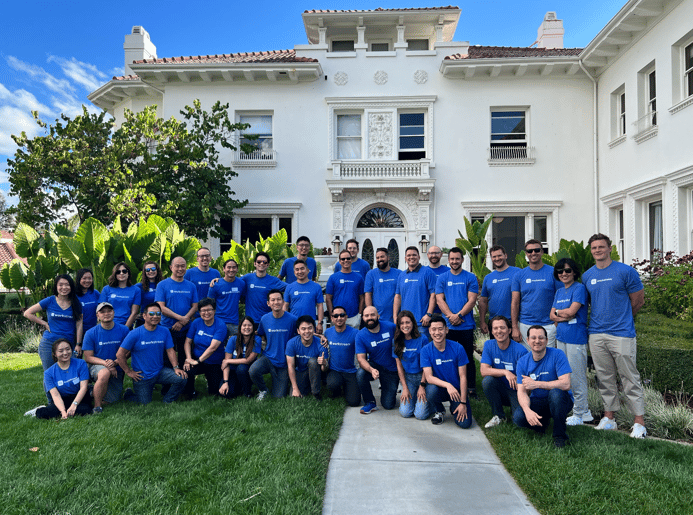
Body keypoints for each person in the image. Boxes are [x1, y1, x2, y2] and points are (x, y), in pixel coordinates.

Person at [583, 233, 647, 438]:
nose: (598, 250)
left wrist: (624, 318)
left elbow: (638, 300)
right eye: (594, 248)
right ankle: (609, 418)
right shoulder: (587, 276)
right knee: (604, 377)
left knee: (629, 377)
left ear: (610, 248)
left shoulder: (625, 271)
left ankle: (639, 422)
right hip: (596, 333)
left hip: (621, 333)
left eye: (601, 247)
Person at [513, 325, 573, 448]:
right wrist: (527, 410)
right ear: (527, 340)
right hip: (539, 400)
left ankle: (559, 436)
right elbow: (521, 392)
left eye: (541, 338)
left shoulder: (557, 354)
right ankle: (542, 423)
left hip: (561, 400)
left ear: (546, 340)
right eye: (533, 338)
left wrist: (537, 384)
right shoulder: (522, 362)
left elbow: (566, 384)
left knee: (555, 394)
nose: (537, 341)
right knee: (519, 417)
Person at [116, 302, 188, 404]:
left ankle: (168, 400)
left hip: (160, 372)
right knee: (144, 403)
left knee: (182, 378)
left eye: (158, 314)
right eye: (151, 314)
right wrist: (128, 372)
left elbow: (170, 350)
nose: (155, 316)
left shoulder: (165, 331)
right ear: (144, 316)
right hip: (142, 376)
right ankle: (129, 394)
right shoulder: (134, 333)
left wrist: (176, 368)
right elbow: (120, 354)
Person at [550, 257, 592, 426]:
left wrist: (560, 313)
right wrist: (562, 314)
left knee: (577, 376)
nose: (564, 274)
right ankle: (578, 409)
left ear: (574, 272)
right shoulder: (560, 291)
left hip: (576, 338)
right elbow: (552, 315)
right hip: (561, 338)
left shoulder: (579, 288)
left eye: (568, 270)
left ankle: (581, 413)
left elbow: (572, 312)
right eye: (560, 271)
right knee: (565, 375)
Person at [435, 247, 479, 398]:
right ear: (448, 260)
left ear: (462, 259)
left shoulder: (470, 277)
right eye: (452, 259)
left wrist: (458, 315)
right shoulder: (442, 278)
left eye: (457, 259)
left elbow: (472, 300)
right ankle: (452, 386)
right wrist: (450, 316)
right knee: (449, 357)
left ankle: (471, 388)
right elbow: (439, 299)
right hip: (448, 327)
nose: (454, 261)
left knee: (467, 357)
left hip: (466, 325)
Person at [421, 315, 472, 428]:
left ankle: (455, 405)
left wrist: (463, 402)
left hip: (456, 390)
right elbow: (429, 378)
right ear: (429, 331)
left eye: (440, 329)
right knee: (431, 391)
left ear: (446, 330)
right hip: (439, 389)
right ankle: (439, 410)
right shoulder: (425, 350)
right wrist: (448, 385)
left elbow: (463, 376)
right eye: (434, 329)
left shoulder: (458, 348)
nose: (437, 333)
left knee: (465, 424)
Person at [24, 274, 83, 372]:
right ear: (56, 286)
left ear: (71, 286)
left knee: (71, 373)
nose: (64, 287)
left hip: (68, 344)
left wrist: (78, 344)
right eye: (61, 285)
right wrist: (44, 323)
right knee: (50, 372)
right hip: (49, 343)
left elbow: (79, 324)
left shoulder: (76, 303)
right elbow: (27, 313)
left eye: (67, 284)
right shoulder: (50, 300)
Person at [480, 315, 528, 428]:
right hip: (499, 388)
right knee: (487, 381)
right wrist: (506, 372)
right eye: (495, 328)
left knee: (519, 422)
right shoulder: (489, 345)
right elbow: (483, 370)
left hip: (517, 391)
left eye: (502, 327)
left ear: (509, 330)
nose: (499, 331)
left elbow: (526, 380)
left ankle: (515, 408)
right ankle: (499, 416)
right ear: (492, 331)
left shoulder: (521, 350)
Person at [24, 338, 91, 419]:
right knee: (47, 413)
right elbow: (55, 395)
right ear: (55, 354)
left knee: (85, 410)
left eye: (68, 349)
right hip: (62, 398)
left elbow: (83, 387)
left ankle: (69, 408)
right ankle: (38, 410)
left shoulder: (81, 363)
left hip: (79, 397)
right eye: (61, 351)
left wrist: (74, 405)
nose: (65, 353)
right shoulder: (49, 373)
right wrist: (62, 412)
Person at [511, 240, 560, 348]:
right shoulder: (519, 275)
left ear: (542, 252)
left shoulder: (553, 272)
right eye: (530, 251)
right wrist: (515, 327)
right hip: (525, 325)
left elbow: (561, 298)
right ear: (526, 253)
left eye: (537, 250)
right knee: (527, 357)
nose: (533, 253)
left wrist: (555, 325)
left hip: (548, 325)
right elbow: (515, 302)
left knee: (547, 357)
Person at [250, 289, 298, 399]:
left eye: (278, 299)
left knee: (278, 397)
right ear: (268, 303)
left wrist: (320, 336)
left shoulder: (292, 319)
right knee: (253, 370)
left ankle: (283, 382)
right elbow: (260, 334)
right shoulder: (264, 319)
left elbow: (303, 333)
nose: (276, 302)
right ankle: (263, 390)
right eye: (273, 300)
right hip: (268, 358)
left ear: (283, 301)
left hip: (284, 362)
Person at [82, 302, 130, 413]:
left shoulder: (124, 330)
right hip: (97, 365)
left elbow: (128, 352)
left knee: (112, 400)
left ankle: (91, 391)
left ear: (114, 312)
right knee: (104, 373)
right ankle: (97, 407)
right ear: (97, 315)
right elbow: (88, 357)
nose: (106, 314)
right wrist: (106, 364)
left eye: (109, 311)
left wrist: (115, 363)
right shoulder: (90, 333)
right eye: (102, 312)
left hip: (117, 367)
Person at [156, 256, 199, 371]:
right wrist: (181, 318)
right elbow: (160, 307)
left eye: (183, 266)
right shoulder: (162, 285)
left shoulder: (191, 286)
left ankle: (187, 382)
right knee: (167, 358)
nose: (180, 269)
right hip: (168, 328)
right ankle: (169, 381)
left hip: (186, 328)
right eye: (177, 266)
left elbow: (195, 306)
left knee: (185, 358)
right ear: (171, 267)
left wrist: (183, 321)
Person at [355, 306, 399, 413]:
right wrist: (371, 370)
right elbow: (361, 359)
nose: (370, 318)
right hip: (375, 366)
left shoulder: (390, 327)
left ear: (378, 316)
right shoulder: (360, 335)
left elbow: (404, 337)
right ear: (363, 318)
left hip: (391, 369)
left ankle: (386, 388)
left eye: (372, 315)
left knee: (388, 404)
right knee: (361, 373)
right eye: (366, 315)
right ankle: (370, 402)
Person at [183, 297, 228, 397]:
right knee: (187, 369)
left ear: (214, 311)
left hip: (214, 362)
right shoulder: (196, 322)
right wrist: (189, 358)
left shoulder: (220, 325)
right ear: (199, 312)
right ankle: (190, 392)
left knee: (214, 393)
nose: (206, 313)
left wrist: (198, 361)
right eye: (203, 310)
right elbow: (187, 342)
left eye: (209, 310)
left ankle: (211, 381)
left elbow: (213, 348)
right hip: (197, 358)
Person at [393, 310, 430, 420]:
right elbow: (399, 366)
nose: (405, 325)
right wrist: (404, 387)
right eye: (402, 323)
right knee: (405, 412)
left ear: (413, 323)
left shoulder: (422, 339)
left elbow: (427, 365)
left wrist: (422, 386)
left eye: (407, 322)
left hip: (423, 377)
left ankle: (431, 405)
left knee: (420, 415)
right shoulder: (396, 341)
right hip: (408, 379)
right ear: (399, 326)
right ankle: (416, 401)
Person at [394, 246, 437, 338]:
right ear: (405, 258)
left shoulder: (428, 273)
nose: (411, 257)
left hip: (422, 323)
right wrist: (395, 316)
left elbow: (433, 295)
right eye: (409, 255)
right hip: (405, 323)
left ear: (419, 257)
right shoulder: (401, 275)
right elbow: (398, 296)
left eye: (414, 255)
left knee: (423, 346)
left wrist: (429, 314)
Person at [323, 306, 360, 406]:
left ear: (346, 317)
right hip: (334, 370)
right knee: (332, 385)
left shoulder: (355, 333)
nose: (339, 318)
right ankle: (338, 389)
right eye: (336, 316)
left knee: (354, 402)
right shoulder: (327, 332)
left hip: (351, 371)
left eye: (342, 315)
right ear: (332, 318)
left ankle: (347, 387)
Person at [479, 245, 519, 334]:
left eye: (499, 255)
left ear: (506, 256)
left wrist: (515, 325)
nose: (497, 259)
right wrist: (482, 322)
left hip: (513, 321)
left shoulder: (517, 272)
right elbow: (483, 301)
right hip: (494, 322)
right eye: (494, 256)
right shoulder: (488, 277)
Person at [285, 315, 328, 400]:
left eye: (310, 328)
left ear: (314, 329)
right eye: (303, 329)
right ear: (298, 331)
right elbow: (290, 366)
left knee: (313, 361)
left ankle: (316, 393)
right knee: (295, 397)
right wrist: (295, 388)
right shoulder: (291, 343)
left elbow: (325, 369)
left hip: (316, 372)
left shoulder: (321, 343)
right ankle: (306, 387)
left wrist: (324, 363)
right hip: (300, 372)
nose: (307, 331)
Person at [241, 252, 286, 327]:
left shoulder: (273, 280)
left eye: (264, 262)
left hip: (267, 321)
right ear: (255, 264)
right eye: (259, 262)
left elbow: (290, 288)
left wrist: (285, 304)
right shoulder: (247, 278)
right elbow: (233, 282)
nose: (261, 264)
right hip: (250, 322)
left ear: (268, 265)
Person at [220, 316, 260, 398]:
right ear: (240, 327)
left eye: (249, 325)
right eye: (244, 325)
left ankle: (247, 392)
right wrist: (225, 382)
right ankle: (237, 387)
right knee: (227, 394)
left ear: (253, 327)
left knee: (241, 368)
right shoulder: (233, 339)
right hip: (233, 370)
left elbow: (248, 360)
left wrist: (228, 361)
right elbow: (226, 363)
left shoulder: (257, 339)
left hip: (247, 370)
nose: (247, 327)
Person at [325, 249, 364, 329]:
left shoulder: (359, 277)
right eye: (343, 259)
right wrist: (332, 315)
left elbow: (362, 298)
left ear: (351, 260)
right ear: (339, 261)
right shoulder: (333, 278)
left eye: (348, 258)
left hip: (354, 317)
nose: (346, 260)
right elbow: (328, 298)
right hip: (337, 317)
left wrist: (359, 315)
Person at [283, 259, 324, 333]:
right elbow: (285, 306)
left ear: (307, 270)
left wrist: (320, 323)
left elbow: (320, 306)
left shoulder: (316, 287)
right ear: (294, 272)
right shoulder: (289, 287)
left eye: (302, 269)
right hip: (294, 323)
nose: (300, 272)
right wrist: (284, 321)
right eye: (297, 269)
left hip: (310, 324)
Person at [208, 258, 246, 336]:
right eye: (228, 267)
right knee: (217, 343)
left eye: (234, 267)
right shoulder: (216, 284)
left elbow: (243, 299)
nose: (231, 270)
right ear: (224, 269)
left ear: (237, 269)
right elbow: (209, 304)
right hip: (219, 321)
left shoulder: (241, 283)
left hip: (234, 322)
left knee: (235, 343)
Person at [364, 247, 402, 323]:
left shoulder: (399, 273)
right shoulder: (371, 274)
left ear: (388, 257)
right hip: (378, 317)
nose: (379, 259)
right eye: (377, 258)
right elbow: (368, 294)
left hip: (396, 317)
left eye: (382, 257)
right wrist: (370, 313)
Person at [99, 262, 141, 329]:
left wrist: (125, 328)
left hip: (127, 325)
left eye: (124, 271)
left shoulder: (136, 290)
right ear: (115, 274)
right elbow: (102, 310)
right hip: (108, 326)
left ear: (128, 273)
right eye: (118, 272)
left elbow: (134, 312)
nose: (121, 273)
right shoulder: (106, 289)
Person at [137, 261, 162, 327]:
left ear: (157, 270)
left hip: (160, 321)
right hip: (144, 321)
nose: (150, 271)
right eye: (148, 270)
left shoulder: (163, 285)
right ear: (144, 272)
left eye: (153, 269)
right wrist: (134, 315)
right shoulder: (139, 286)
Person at [76, 268, 100, 334]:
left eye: (89, 278)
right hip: (77, 330)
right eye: (84, 278)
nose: (87, 281)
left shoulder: (95, 293)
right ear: (79, 279)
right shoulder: (73, 295)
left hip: (93, 330)